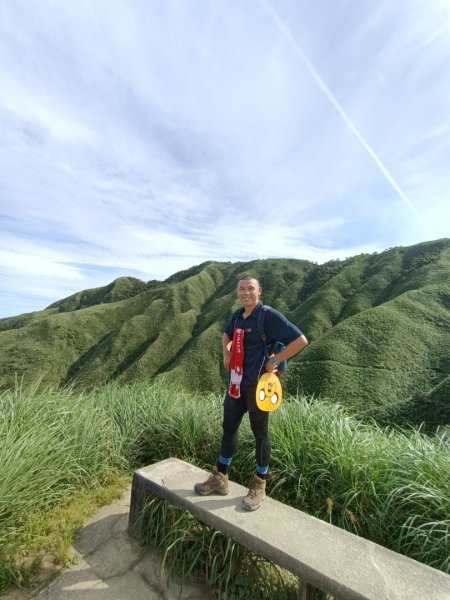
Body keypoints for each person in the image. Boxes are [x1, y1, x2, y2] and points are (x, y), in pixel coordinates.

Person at [194, 275, 308, 511]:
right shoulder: (237, 316)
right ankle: (220, 478)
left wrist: (275, 359)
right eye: (242, 289)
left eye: (251, 289)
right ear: (237, 291)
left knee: (260, 434)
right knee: (229, 429)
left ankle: (259, 483)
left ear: (259, 291)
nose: (246, 292)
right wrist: (226, 354)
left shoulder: (268, 316)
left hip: (258, 388)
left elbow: (300, 340)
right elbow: (226, 335)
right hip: (236, 384)